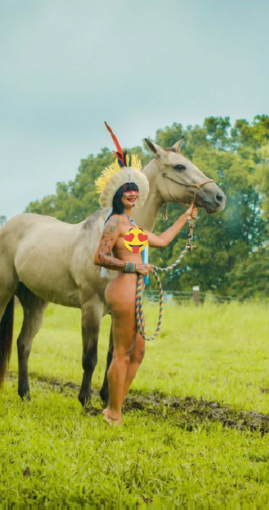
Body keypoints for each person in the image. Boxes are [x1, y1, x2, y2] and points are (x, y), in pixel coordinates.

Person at [93, 137, 197, 426]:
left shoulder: (132, 226)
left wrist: (185, 217)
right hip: (123, 288)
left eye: (135, 192)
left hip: (134, 288)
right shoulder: (114, 222)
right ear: (118, 196)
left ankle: (115, 407)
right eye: (127, 192)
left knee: (137, 351)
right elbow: (100, 257)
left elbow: (161, 240)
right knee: (122, 352)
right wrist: (132, 266)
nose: (133, 196)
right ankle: (113, 412)